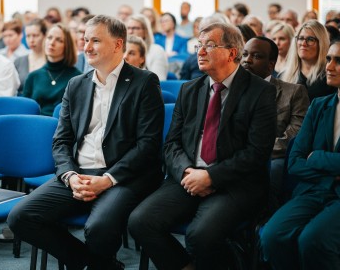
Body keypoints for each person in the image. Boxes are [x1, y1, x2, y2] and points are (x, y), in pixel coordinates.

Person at [8, 15, 164, 270]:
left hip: (121, 177)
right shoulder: (76, 85)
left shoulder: (144, 82)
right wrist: (69, 175)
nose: (87, 46)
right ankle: (93, 263)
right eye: (85, 40)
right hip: (79, 173)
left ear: (117, 45)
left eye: (95, 41)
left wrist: (107, 179)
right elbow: (61, 141)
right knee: (20, 217)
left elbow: (147, 145)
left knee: (99, 228)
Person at [128, 22, 277, 270]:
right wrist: (188, 172)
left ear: (232, 52)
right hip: (189, 176)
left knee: (199, 235)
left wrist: (211, 176)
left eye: (209, 45)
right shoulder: (190, 90)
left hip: (235, 183)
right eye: (199, 44)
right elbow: (171, 144)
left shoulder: (260, 91)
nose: (200, 51)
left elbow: (256, 152)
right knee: (140, 221)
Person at [260, 39, 340, 270]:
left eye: (338, 61)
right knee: (272, 236)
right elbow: (294, 161)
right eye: (328, 59)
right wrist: (329, 172)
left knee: (313, 239)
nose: (329, 66)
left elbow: (308, 158)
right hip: (313, 190)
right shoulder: (320, 106)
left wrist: (316, 158)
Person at [241, 36, 309, 211]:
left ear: (271, 64)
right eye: (245, 54)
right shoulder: (230, 91)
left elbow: (295, 134)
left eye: (256, 56)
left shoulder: (294, 92)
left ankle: (264, 223)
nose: (247, 60)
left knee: (271, 172)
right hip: (237, 155)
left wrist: (256, 153)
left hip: (275, 156)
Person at [22, 23, 82, 116]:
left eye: (59, 40)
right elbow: (25, 112)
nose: (52, 43)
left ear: (67, 46)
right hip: (36, 126)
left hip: (63, 127)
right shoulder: (33, 76)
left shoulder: (77, 77)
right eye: (49, 38)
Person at [280, 20, 336, 101]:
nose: (303, 43)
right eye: (301, 38)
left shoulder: (330, 76)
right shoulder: (284, 76)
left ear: (321, 43)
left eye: (310, 39)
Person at [126, 14, 168, 80]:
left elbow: (158, 81)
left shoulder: (157, 51)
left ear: (145, 31)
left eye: (135, 28)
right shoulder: (121, 51)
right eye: (128, 28)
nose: (130, 31)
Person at [14, 18, 47, 95]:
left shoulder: (51, 61)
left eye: (35, 36)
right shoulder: (19, 61)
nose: (31, 40)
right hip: (22, 103)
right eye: (28, 36)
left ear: (44, 36)